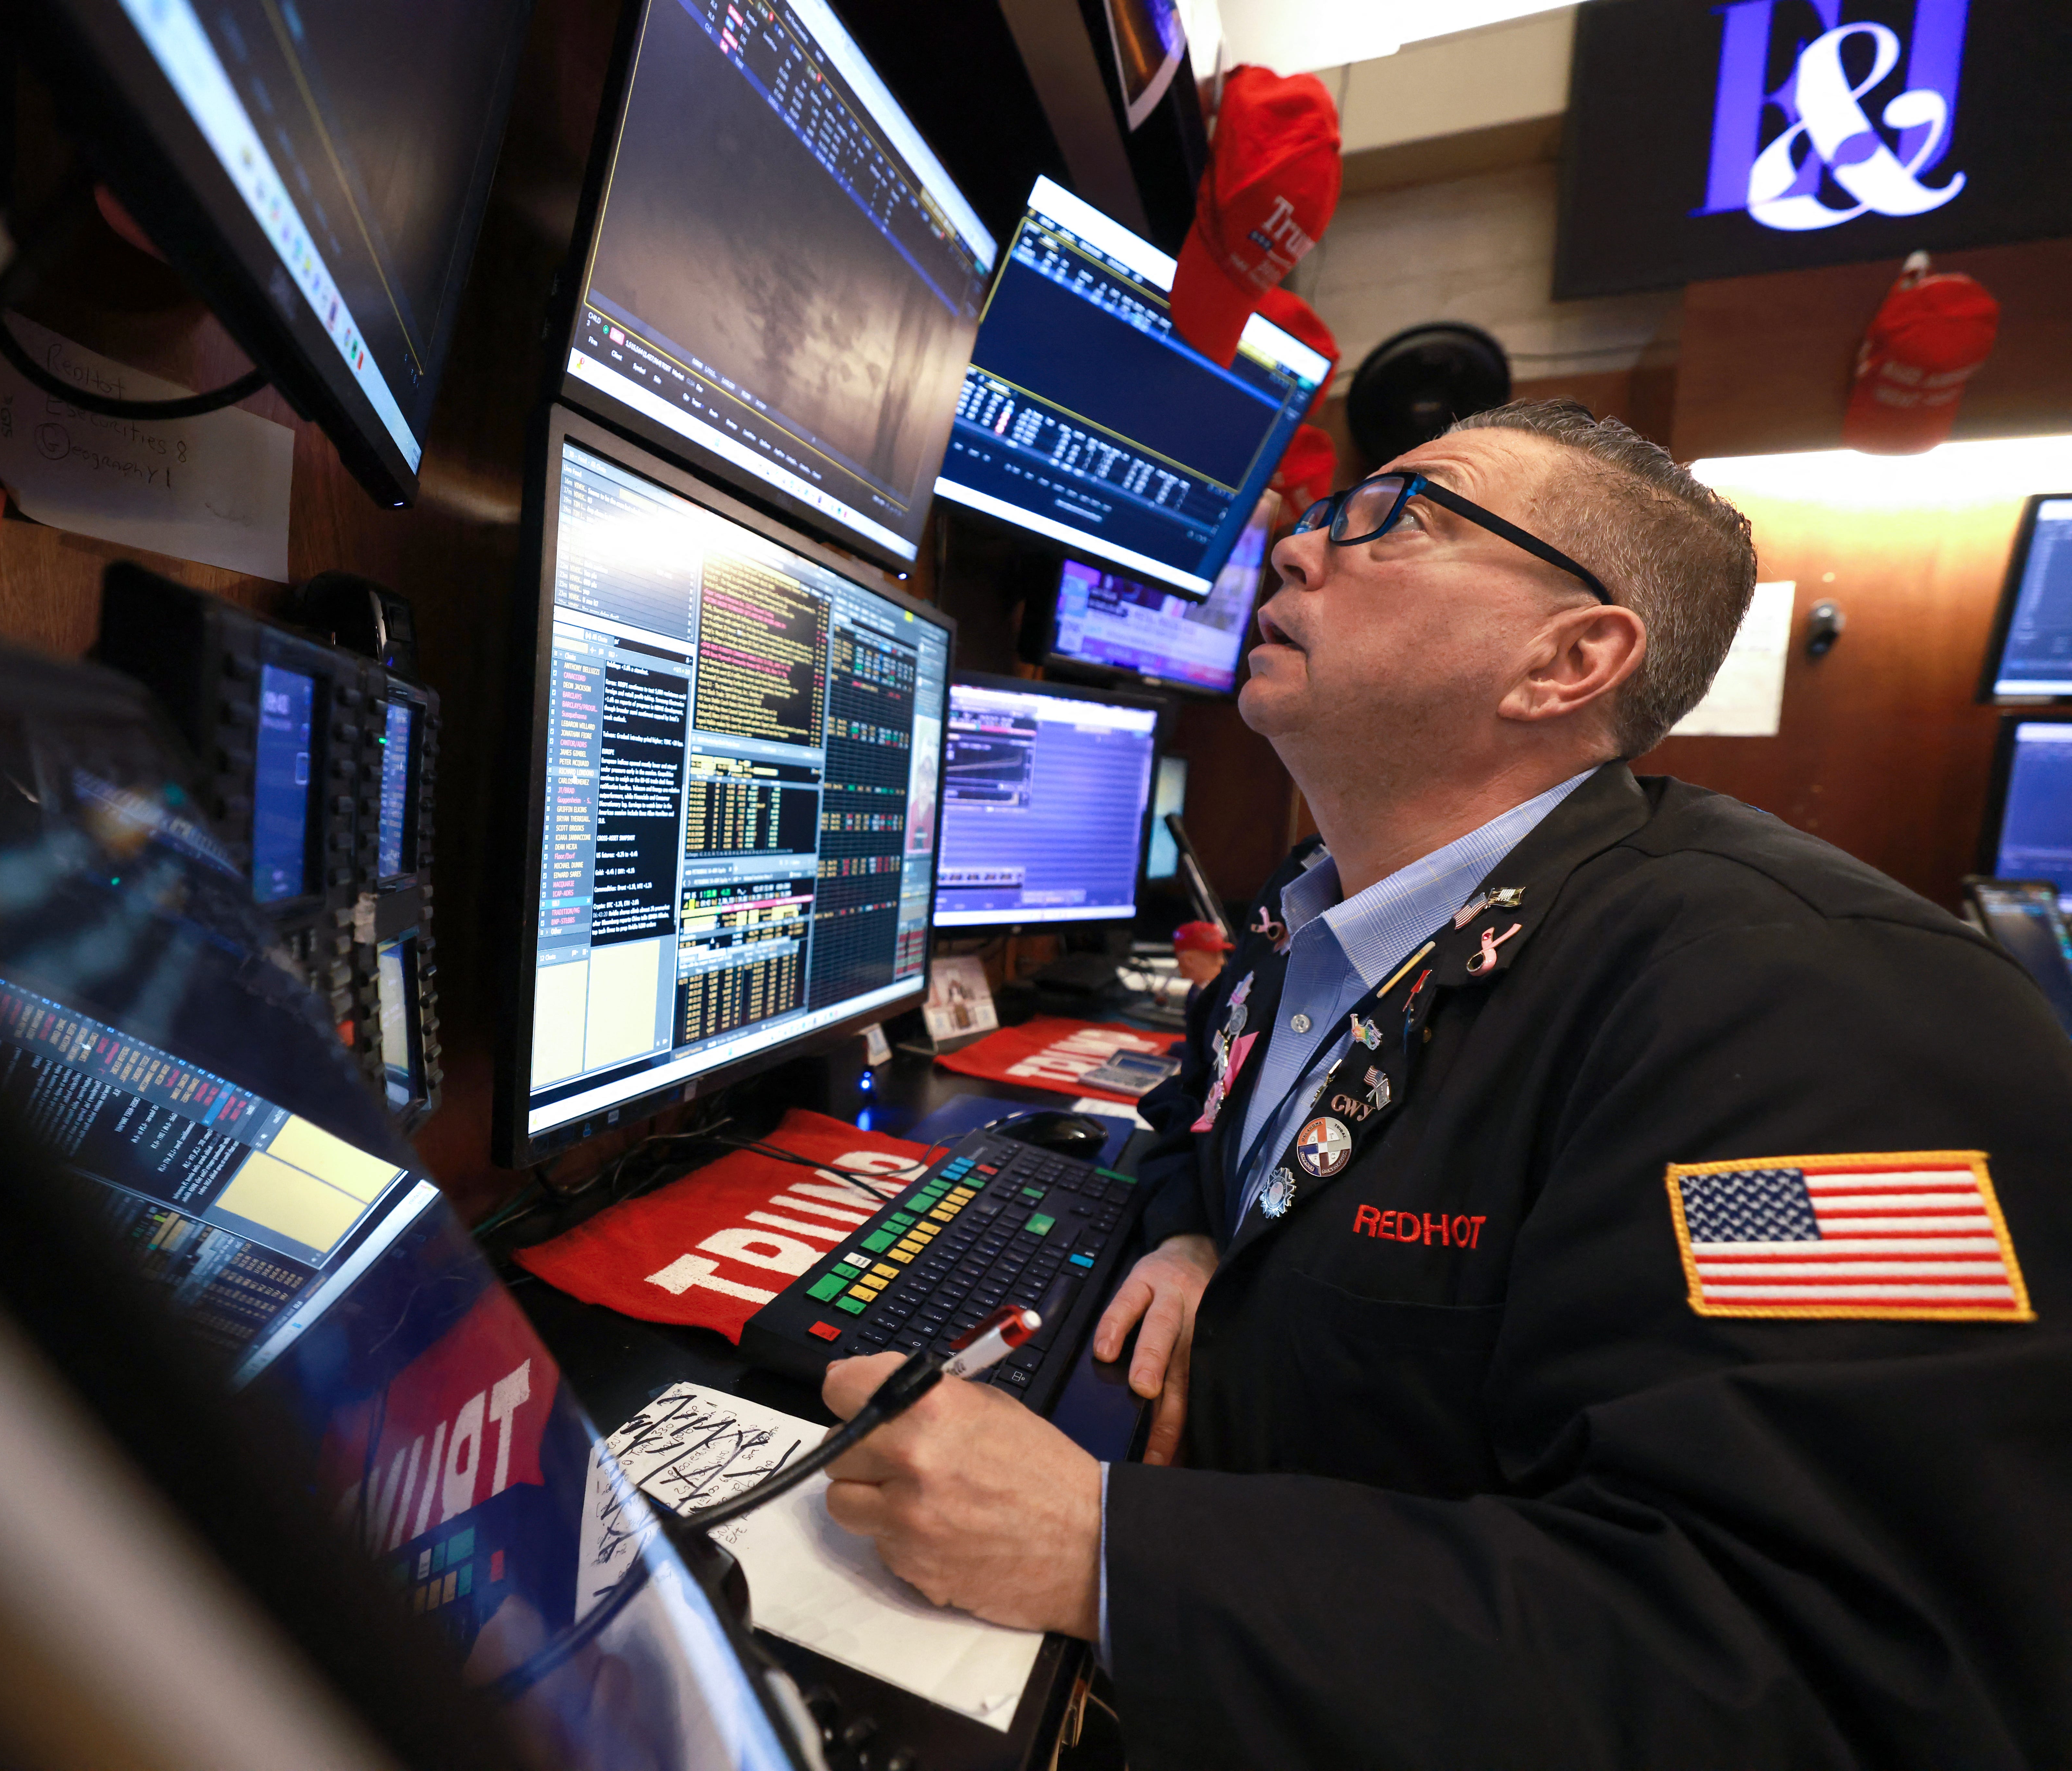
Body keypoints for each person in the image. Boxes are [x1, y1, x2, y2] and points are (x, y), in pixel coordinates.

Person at [815, 401, 2072, 1765]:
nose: (1296, 545)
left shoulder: (1811, 1011)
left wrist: (1110, 1555)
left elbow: (1826, 1667)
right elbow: (1201, 1104)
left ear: (1568, 658)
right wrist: (1194, 1231)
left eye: (1391, 518)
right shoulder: (1315, 917)